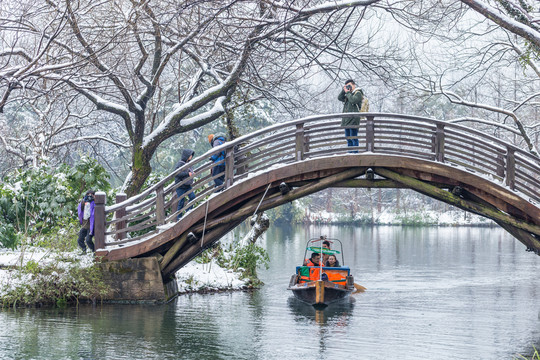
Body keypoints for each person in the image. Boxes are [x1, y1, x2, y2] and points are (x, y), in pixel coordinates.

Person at [338, 79, 365, 153]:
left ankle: (355, 155)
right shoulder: (348, 94)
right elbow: (340, 98)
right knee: (348, 138)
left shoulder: (358, 93)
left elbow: (353, 100)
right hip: (346, 120)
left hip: (353, 119)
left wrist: (348, 93)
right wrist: (344, 91)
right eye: (347, 86)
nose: (349, 87)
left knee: (353, 137)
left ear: (353, 85)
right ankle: (350, 154)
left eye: (349, 85)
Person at [174, 149, 195, 220]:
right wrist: (187, 174)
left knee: (192, 197)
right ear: (187, 155)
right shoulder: (180, 163)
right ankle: (179, 218)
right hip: (180, 186)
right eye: (190, 155)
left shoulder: (188, 164)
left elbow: (189, 172)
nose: (191, 156)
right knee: (181, 201)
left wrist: (191, 174)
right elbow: (176, 174)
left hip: (187, 185)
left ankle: (188, 211)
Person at [77, 190, 95, 254]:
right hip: (85, 225)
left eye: (91, 195)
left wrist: (94, 199)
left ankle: (94, 251)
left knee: (88, 240)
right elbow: (80, 209)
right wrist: (84, 200)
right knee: (80, 239)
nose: (89, 196)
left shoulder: (95, 202)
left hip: (92, 226)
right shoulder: (84, 203)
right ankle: (84, 250)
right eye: (88, 195)